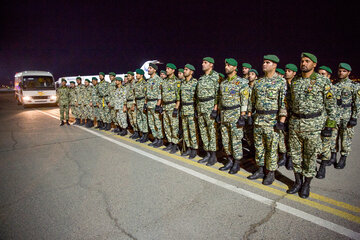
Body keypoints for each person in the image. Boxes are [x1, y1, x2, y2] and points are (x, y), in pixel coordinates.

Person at [287, 52, 337, 198]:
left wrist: (329, 126)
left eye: (307, 61)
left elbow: (331, 106)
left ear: (314, 64)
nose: (303, 63)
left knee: (310, 157)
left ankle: (307, 184)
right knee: (295, 156)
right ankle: (297, 182)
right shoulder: (295, 81)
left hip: (314, 126)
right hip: (295, 124)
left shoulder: (323, 82)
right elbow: (290, 102)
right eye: (302, 61)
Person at [247, 55, 287, 185]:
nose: (264, 64)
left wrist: (281, 121)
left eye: (267, 62)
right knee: (259, 147)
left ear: (274, 65)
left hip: (272, 121)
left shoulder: (281, 82)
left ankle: (270, 173)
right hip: (258, 119)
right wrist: (249, 115)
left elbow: (284, 103)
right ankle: (260, 169)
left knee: (271, 148)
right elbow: (252, 102)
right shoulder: (258, 82)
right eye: (263, 62)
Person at [218, 58, 249, 174]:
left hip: (235, 114)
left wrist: (242, 116)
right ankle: (229, 160)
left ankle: (237, 163)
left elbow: (244, 100)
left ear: (235, 68)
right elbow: (221, 99)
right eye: (226, 65)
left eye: (229, 65)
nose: (226, 67)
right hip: (224, 115)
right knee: (226, 140)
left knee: (236, 140)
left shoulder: (241, 82)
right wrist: (219, 113)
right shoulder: (223, 83)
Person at [332, 63, 359, 169]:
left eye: (343, 71)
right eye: (339, 70)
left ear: (348, 72)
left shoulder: (354, 85)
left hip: (346, 115)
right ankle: (333, 156)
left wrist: (354, 117)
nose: (341, 73)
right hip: (335, 116)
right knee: (333, 137)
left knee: (345, 138)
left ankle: (343, 158)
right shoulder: (334, 85)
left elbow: (357, 103)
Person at [196, 57, 220, 166]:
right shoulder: (201, 79)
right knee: (203, 131)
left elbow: (217, 94)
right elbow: (197, 95)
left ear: (211, 65)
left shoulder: (215, 77)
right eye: (202, 62)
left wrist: (215, 109)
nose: (202, 64)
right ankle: (207, 153)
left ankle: (213, 155)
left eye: (205, 63)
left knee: (211, 131)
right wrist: (197, 108)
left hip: (210, 107)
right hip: (201, 107)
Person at [161, 63, 181, 154]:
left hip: (172, 106)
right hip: (165, 106)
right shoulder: (164, 81)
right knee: (167, 126)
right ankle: (170, 142)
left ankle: (175, 144)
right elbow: (162, 94)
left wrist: (176, 108)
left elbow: (178, 96)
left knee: (174, 126)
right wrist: (161, 106)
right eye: (166, 68)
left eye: (169, 69)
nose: (167, 70)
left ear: (173, 70)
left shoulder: (177, 81)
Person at [180, 64, 198, 159]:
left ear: (191, 72)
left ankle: (194, 149)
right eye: (184, 69)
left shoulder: (195, 82)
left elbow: (198, 97)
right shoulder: (182, 83)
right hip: (184, 109)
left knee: (192, 131)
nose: (184, 71)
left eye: (186, 70)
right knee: (185, 130)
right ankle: (188, 148)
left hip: (191, 108)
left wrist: (196, 110)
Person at [145, 63, 163, 147]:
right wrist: (145, 103)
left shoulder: (158, 80)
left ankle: (160, 139)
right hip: (149, 103)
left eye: (150, 68)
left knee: (157, 122)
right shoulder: (148, 81)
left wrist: (158, 105)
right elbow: (146, 93)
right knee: (151, 123)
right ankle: (155, 138)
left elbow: (160, 93)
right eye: (148, 68)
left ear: (155, 70)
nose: (148, 69)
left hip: (155, 103)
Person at [134, 69, 149, 143]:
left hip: (142, 101)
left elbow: (146, 94)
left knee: (144, 119)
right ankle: (142, 133)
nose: (136, 75)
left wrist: (145, 104)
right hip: (137, 102)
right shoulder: (136, 83)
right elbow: (135, 94)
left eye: (138, 74)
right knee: (139, 119)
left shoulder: (144, 83)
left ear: (141, 75)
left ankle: (145, 135)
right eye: (136, 74)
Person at [125, 71, 139, 139]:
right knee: (131, 119)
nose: (128, 77)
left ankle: (138, 132)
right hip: (128, 103)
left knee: (135, 119)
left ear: (133, 76)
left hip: (132, 103)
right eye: (127, 76)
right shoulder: (127, 84)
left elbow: (135, 95)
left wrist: (133, 104)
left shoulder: (135, 83)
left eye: (129, 76)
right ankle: (134, 131)